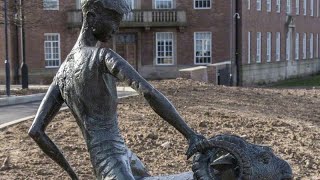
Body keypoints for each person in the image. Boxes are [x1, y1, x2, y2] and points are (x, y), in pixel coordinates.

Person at [28, 0, 206, 179]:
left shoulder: (61, 74)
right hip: (112, 162)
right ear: (91, 18)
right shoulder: (103, 56)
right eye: (113, 21)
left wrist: (71, 173)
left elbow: (36, 131)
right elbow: (149, 92)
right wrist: (190, 135)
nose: (117, 28)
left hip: (120, 155)